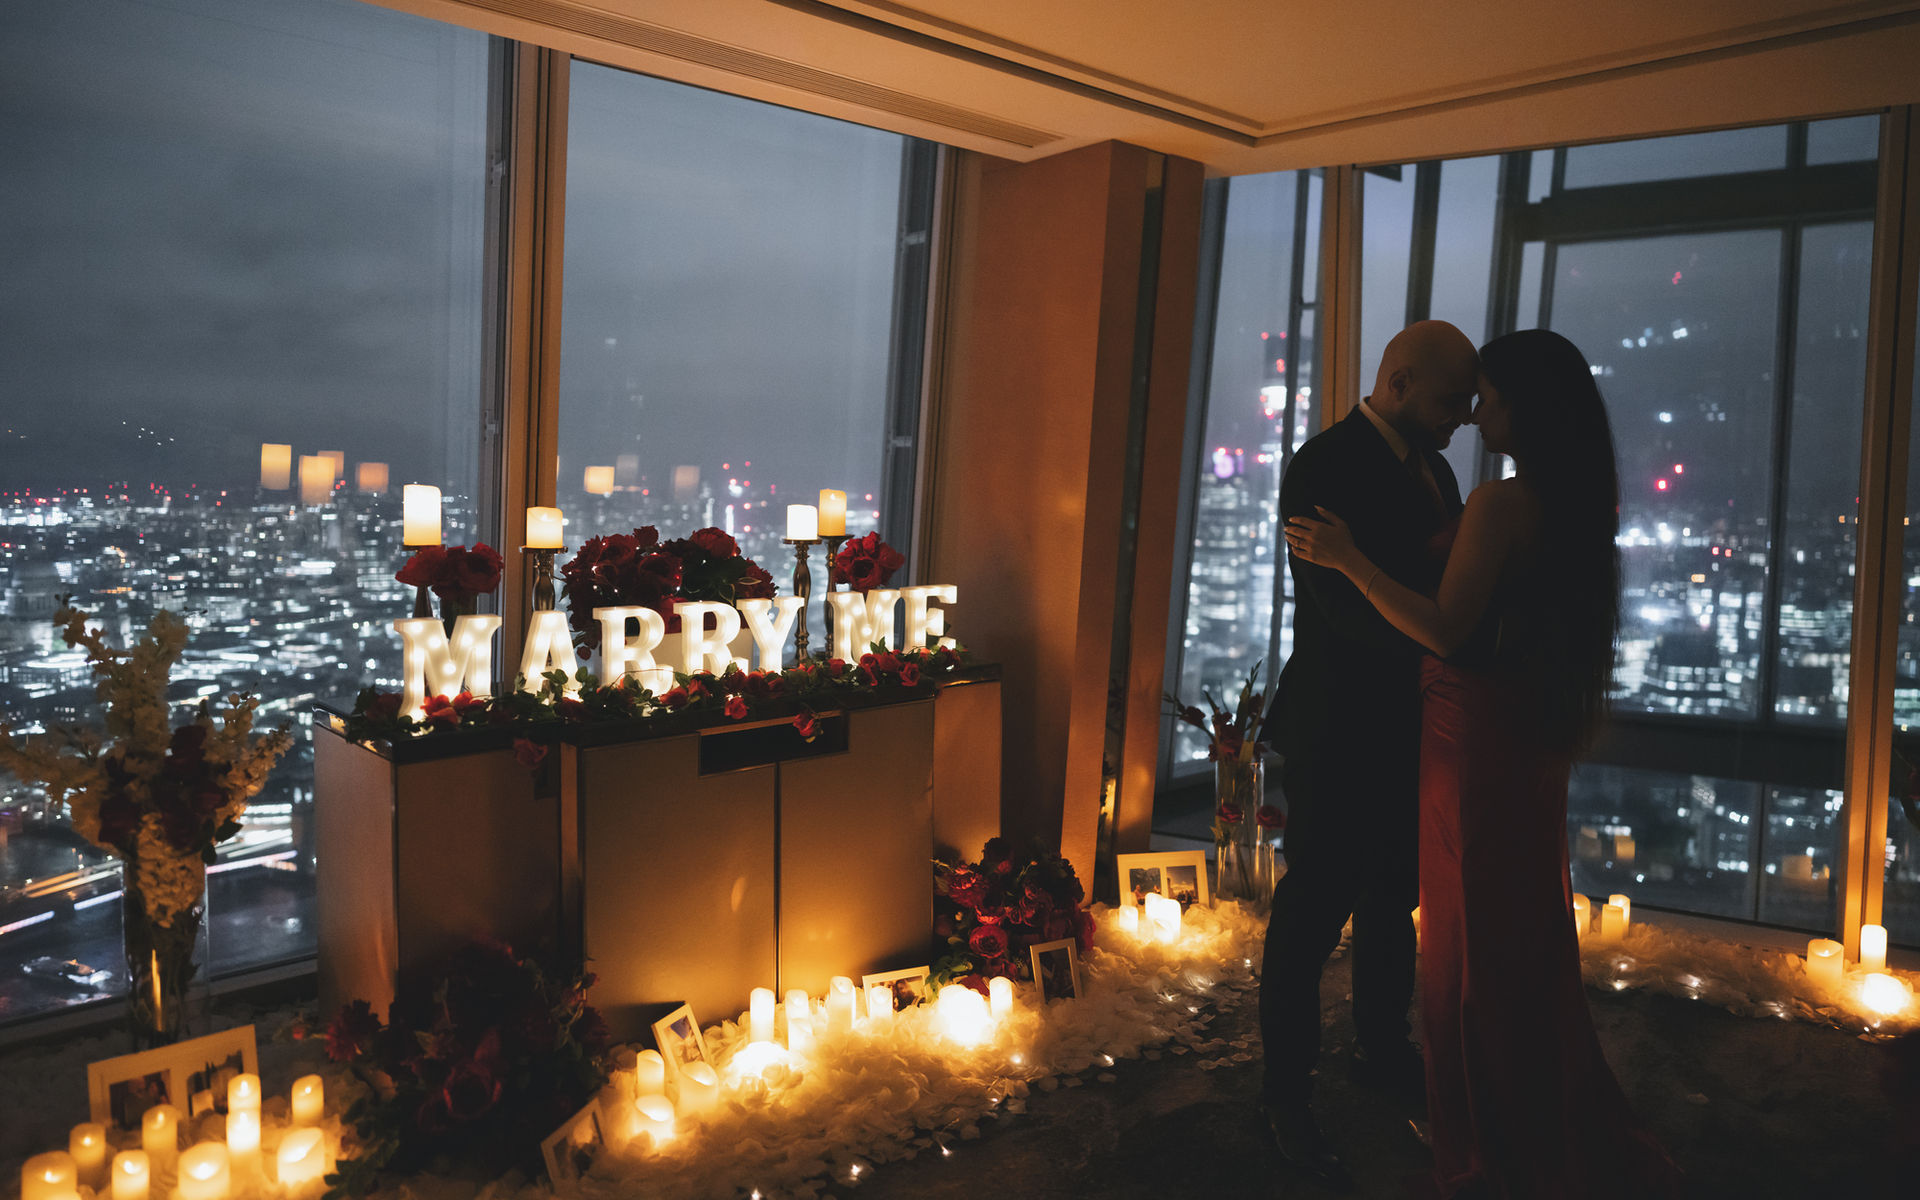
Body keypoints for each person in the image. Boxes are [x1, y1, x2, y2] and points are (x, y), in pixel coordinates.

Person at [1285, 329, 1681, 1197]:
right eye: (1460, 398)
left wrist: (1352, 559)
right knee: (1510, 924)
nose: (1471, 415)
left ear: (1522, 410)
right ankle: (1501, 1097)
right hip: (1492, 727)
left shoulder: (1496, 498)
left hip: (1468, 730)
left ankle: (1480, 1111)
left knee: (1469, 932)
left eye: (1486, 398)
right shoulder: (1565, 497)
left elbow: (1445, 625)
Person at [1260, 320, 1478, 1187]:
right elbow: (1338, 608)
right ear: (1401, 382)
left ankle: (1381, 1050)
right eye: (1452, 399)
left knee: (1394, 898)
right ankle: (1285, 1095)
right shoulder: (1324, 463)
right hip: (1342, 725)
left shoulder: (1435, 465)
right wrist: (1449, 640)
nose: (1464, 415)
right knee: (1312, 913)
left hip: (1411, 721)